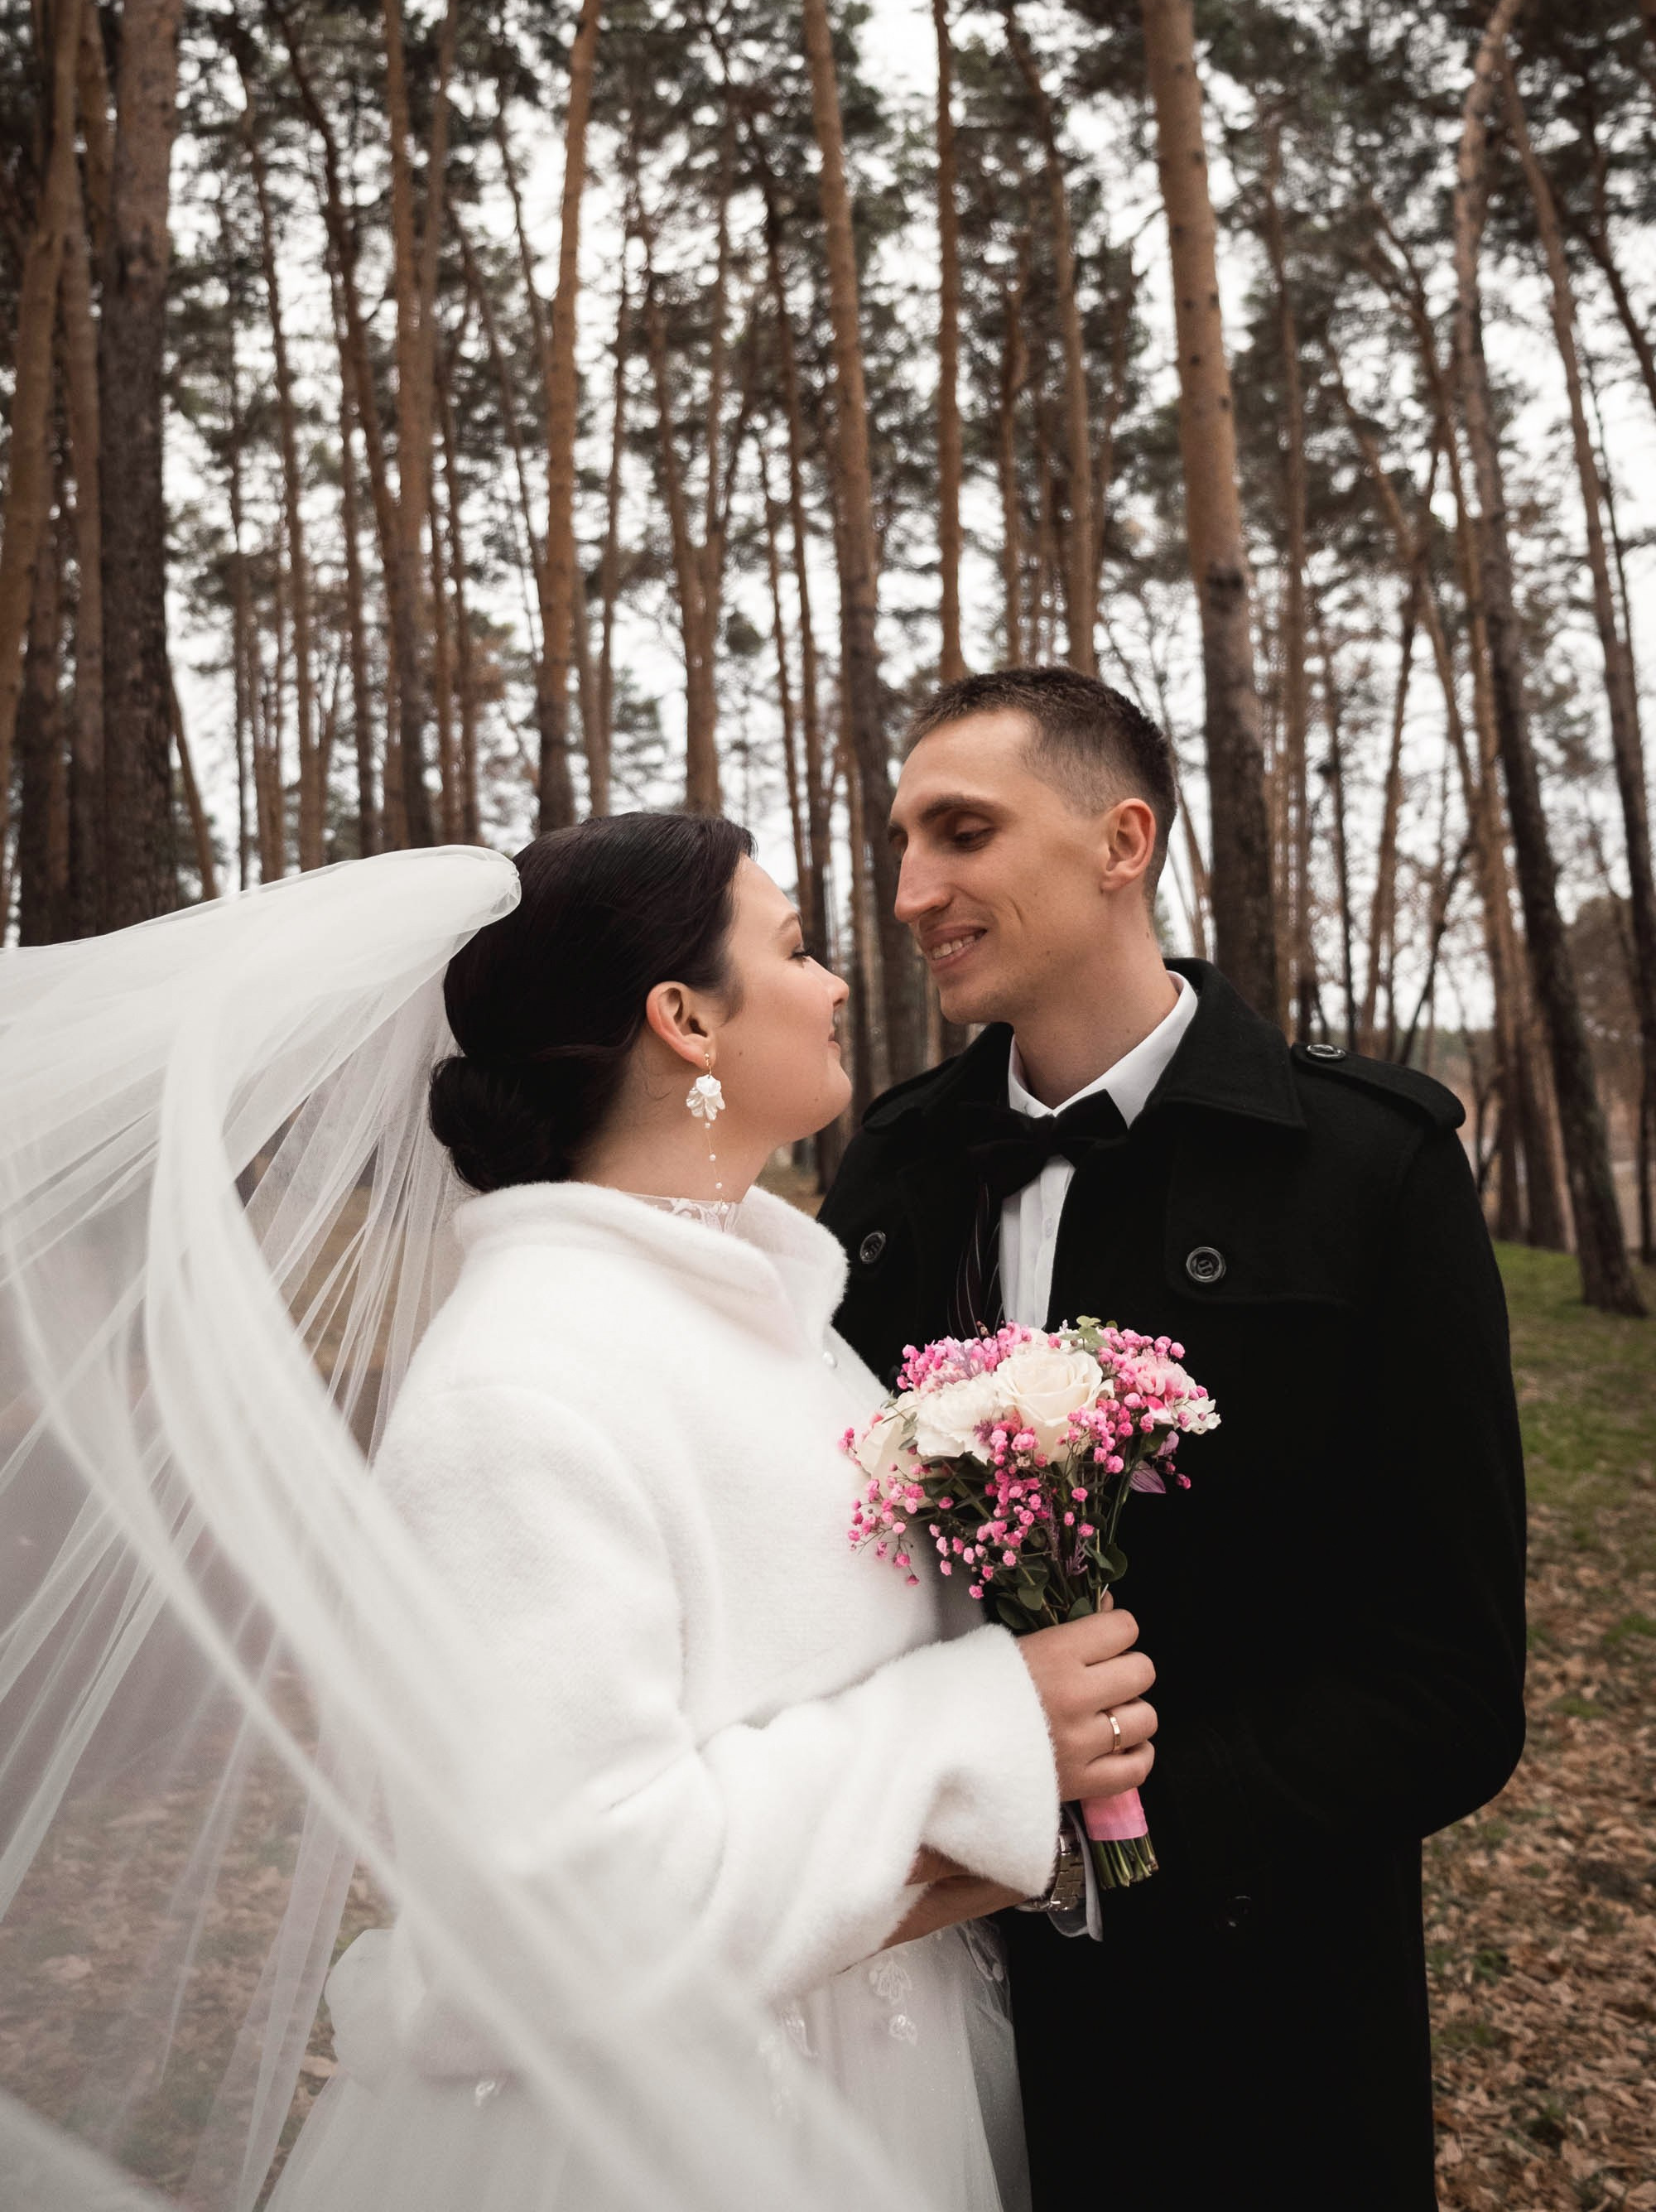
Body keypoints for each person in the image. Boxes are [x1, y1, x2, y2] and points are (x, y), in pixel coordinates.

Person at [0, 822, 1154, 2212]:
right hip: (649, 2149)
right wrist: (987, 1723)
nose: (838, 981)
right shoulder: (526, 1383)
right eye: (791, 949)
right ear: (683, 1021)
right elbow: (559, 1905)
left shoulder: (786, 1326)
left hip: (862, 2084)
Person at [820, 666, 1528, 2212]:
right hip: (934, 2027)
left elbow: (1453, 1688)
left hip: (1262, 2030)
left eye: (961, 832)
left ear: (1121, 841)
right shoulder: (892, 1171)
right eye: (899, 844)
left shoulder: (1368, 1170)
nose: (911, 890)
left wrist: (1104, 1848)